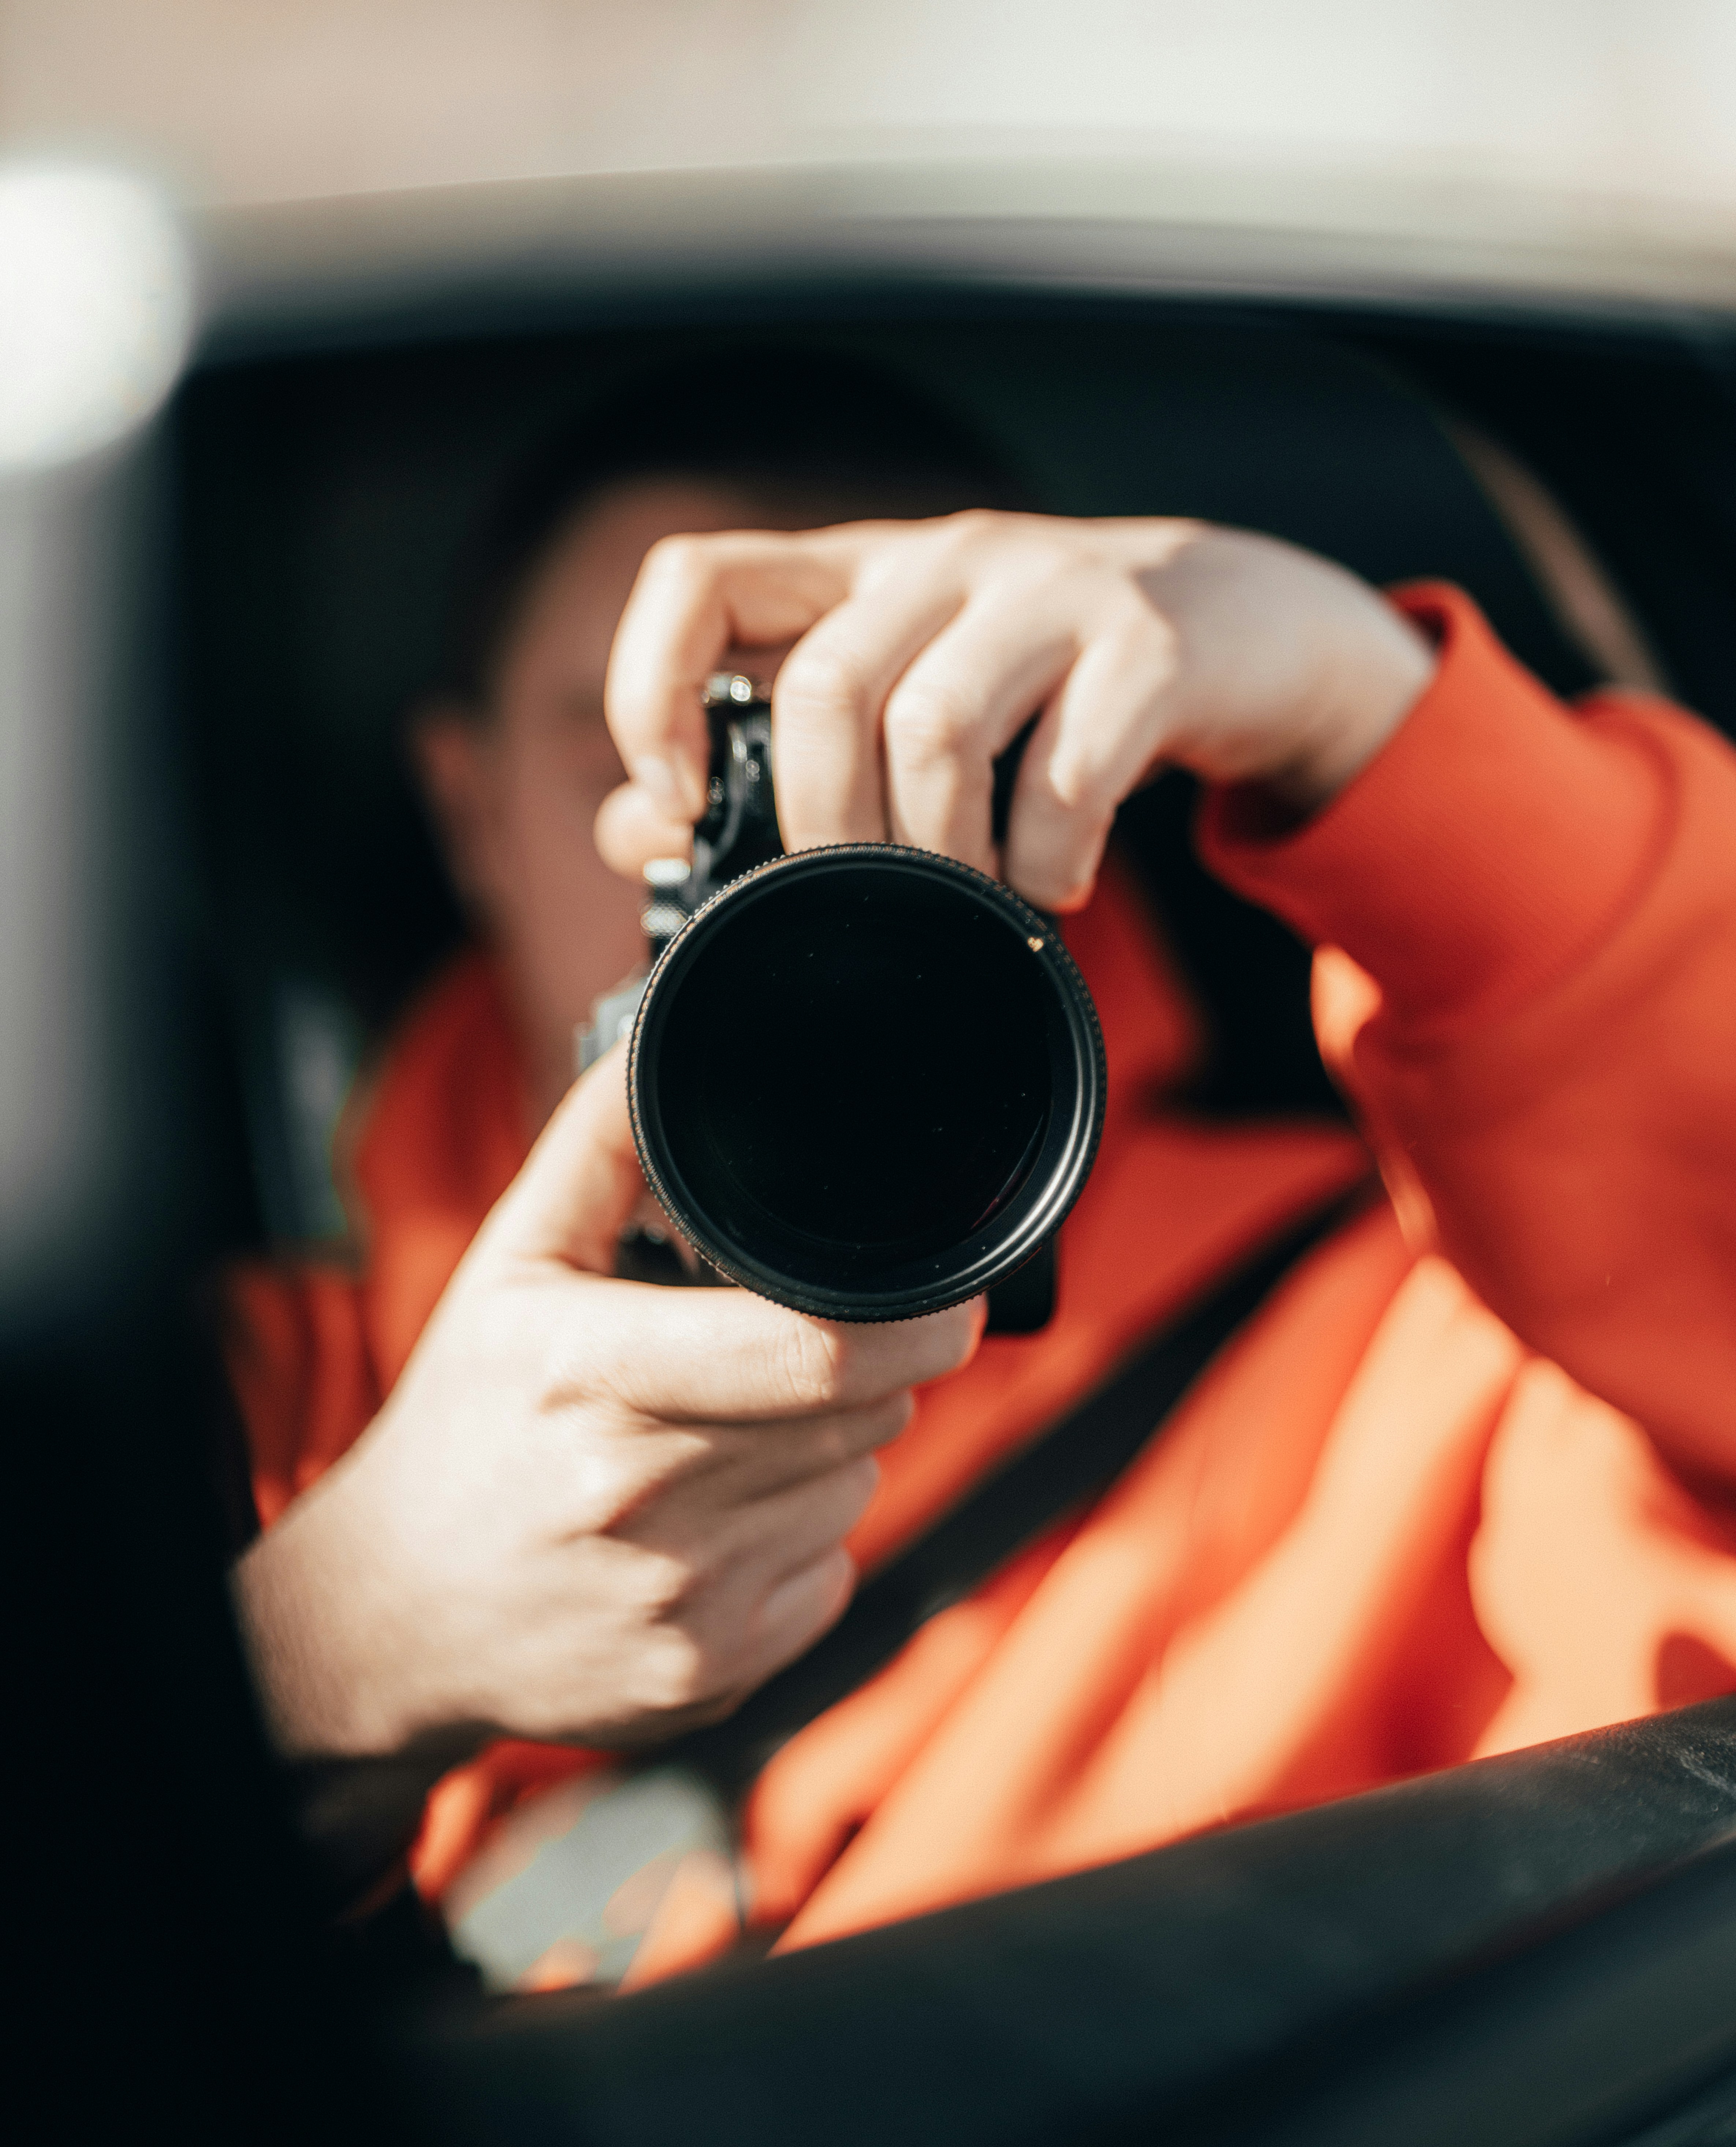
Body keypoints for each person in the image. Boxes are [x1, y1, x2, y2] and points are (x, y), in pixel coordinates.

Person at [227, 346, 1736, 1992]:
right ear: (471, 815)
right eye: (665, 768)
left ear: (1063, 774)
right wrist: (322, 1649)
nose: (784, 862)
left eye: (880, 746)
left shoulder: (1399, 1342)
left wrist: (1361, 712)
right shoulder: (233, 1406)